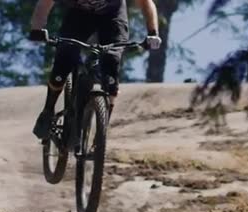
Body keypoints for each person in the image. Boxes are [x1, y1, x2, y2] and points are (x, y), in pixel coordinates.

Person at [29, 0, 162, 139]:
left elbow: (146, 3)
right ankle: (48, 111)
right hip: (79, 15)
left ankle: (101, 136)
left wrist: (153, 32)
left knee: (112, 63)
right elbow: (44, 3)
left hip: (112, 15)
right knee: (63, 61)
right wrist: (37, 29)